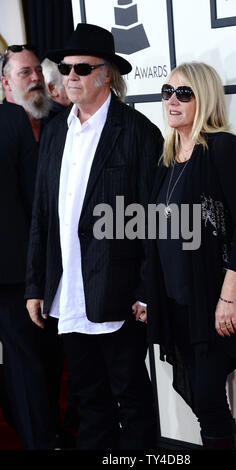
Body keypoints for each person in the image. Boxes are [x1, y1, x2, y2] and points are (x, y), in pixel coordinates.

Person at [25, 23, 163, 450]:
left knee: (133, 399)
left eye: (82, 68)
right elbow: (43, 215)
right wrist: (36, 284)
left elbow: (155, 222)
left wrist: (144, 290)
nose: (70, 76)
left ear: (108, 74)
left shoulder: (138, 132)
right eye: (66, 68)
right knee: (89, 403)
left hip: (119, 294)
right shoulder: (54, 132)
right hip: (68, 292)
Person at [135, 62, 236, 449]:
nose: (172, 100)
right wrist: (148, 293)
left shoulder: (223, 148)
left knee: (211, 401)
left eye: (184, 93)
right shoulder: (166, 159)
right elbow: (154, 233)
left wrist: (227, 297)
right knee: (204, 403)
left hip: (213, 301)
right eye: (167, 92)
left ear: (205, 98)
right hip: (175, 303)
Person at [0, 45, 57, 449]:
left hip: (39, 270)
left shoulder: (53, 120)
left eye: (37, 70)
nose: (35, 77)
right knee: (27, 362)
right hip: (14, 270)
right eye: (24, 73)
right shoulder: (11, 122)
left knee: (38, 360)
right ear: (5, 84)